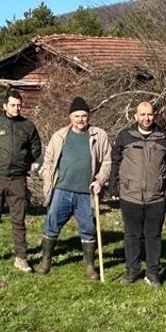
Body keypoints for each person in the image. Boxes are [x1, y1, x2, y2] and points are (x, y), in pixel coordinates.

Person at [107, 101, 166, 288]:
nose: (146, 118)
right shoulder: (125, 136)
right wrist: (113, 186)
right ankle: (132, 270)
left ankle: (153, 272)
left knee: (153, 235)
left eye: (149, 114)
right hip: (130, 195)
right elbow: (115, 160)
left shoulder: (164, 137)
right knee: (132, 234)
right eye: (142, 114)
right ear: (135, 116)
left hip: (156, 196)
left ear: (154, 115)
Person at [37, 96, 112, 278]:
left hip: (86, 193)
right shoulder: (60, 136)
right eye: (77, 116)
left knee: (88, 227)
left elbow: (108, 162)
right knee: (52, 224)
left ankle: (89, 266)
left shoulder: (99, 135)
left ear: (88, 116)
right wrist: (49, 180)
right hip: (61, 190)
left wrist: (100, 180)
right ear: (70, 117)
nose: (81, 119)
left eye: (84, 116)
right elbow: (47, 162)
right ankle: (46, 261)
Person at [0, 88, 42, 272]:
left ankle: (21, 257)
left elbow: (36, 148)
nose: (16, 108)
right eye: (13, 105)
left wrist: (24, 161)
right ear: (5, 105)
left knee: (19, 220)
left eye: (19, 105)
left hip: (18, 179)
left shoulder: (28, 126)